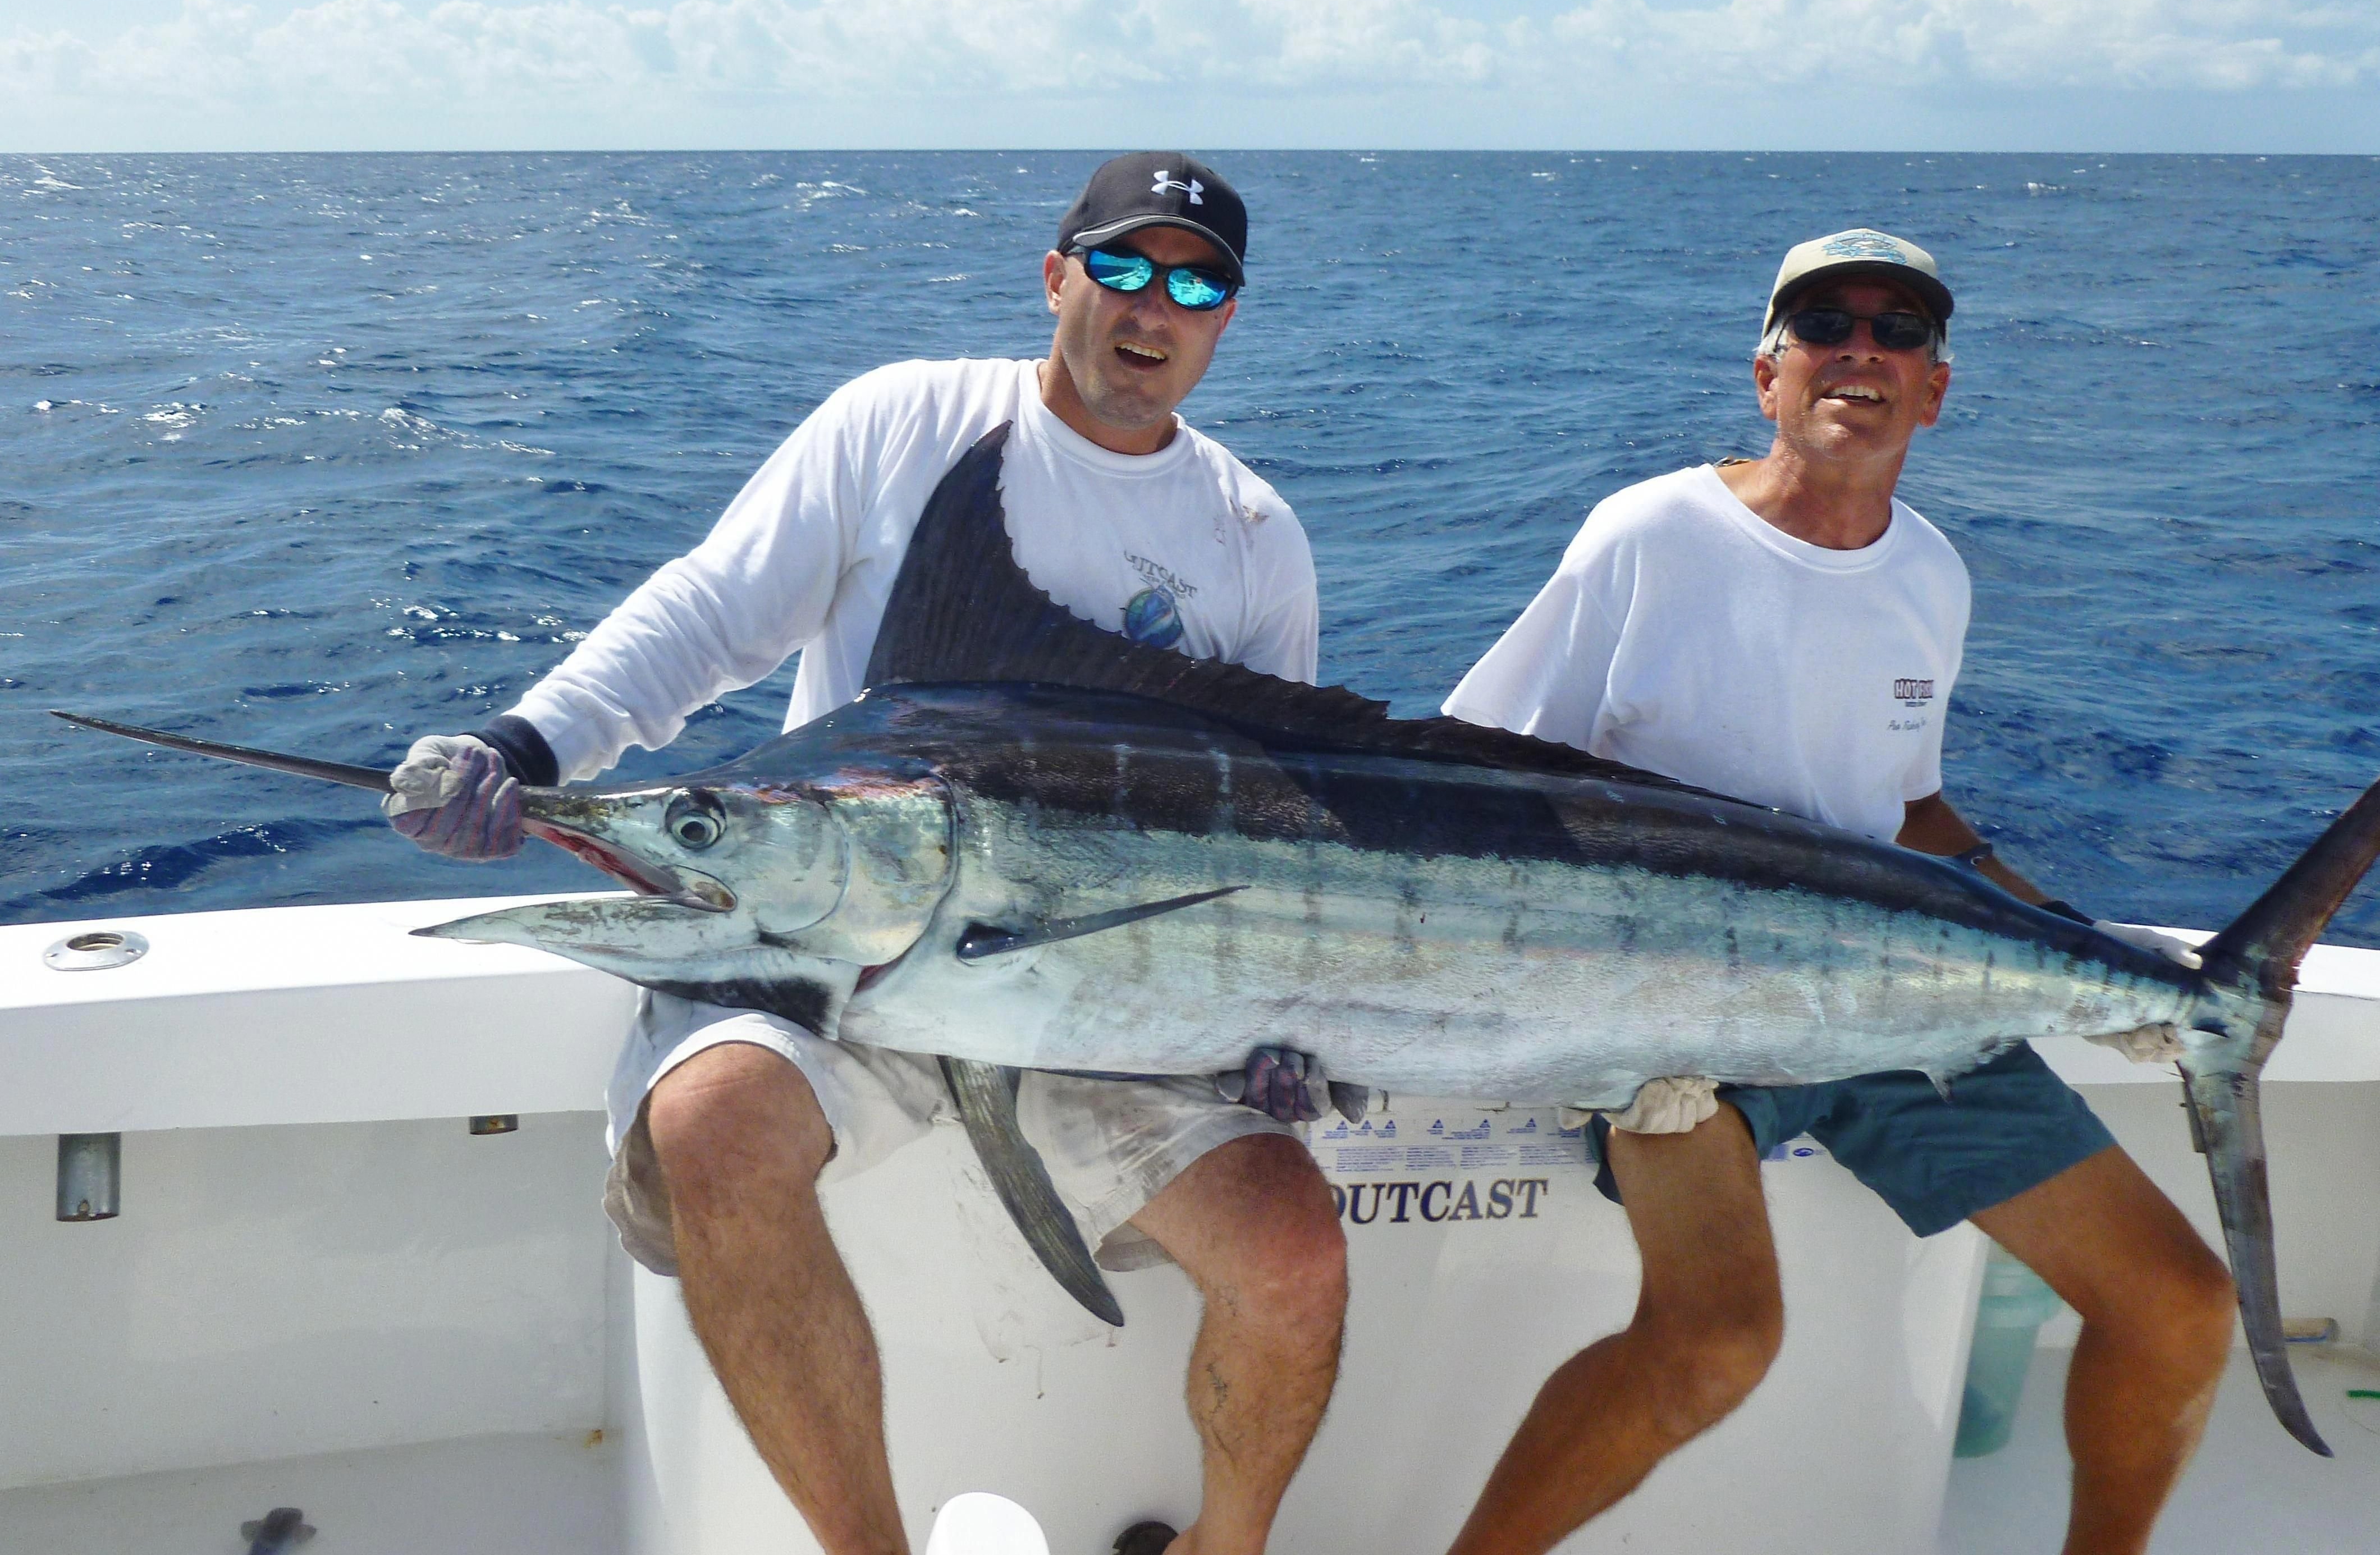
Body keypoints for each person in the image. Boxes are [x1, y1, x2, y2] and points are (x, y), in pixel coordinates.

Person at [380, 153, 1348, 1555]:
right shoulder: (902, 422)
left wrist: (1277, 1016)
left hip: (1106, 999)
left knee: (1295, 1244)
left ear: (1226, 319)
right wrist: (531, 750)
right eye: (1122, 266)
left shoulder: (1255, 538)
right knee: (709, 1122)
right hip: (833, 958)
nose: (1154, 304)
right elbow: (710, 611)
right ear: (1056, 274)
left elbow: (1287, 827)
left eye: (1194, 280)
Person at [1438, 230, 2236, 1555]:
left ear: (1934, 388)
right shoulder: (1651, 532)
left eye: (1898, 329)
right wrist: (1594, 1006)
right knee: (1717, 1335)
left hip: (1883, 997)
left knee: (2177, 1304)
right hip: (1670, 1012)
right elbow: (1481, 769)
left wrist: (2078, 947)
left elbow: (1906, 808)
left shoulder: (1930, 572)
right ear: (1768, 372)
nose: (1860, 345)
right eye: (1823, 321)